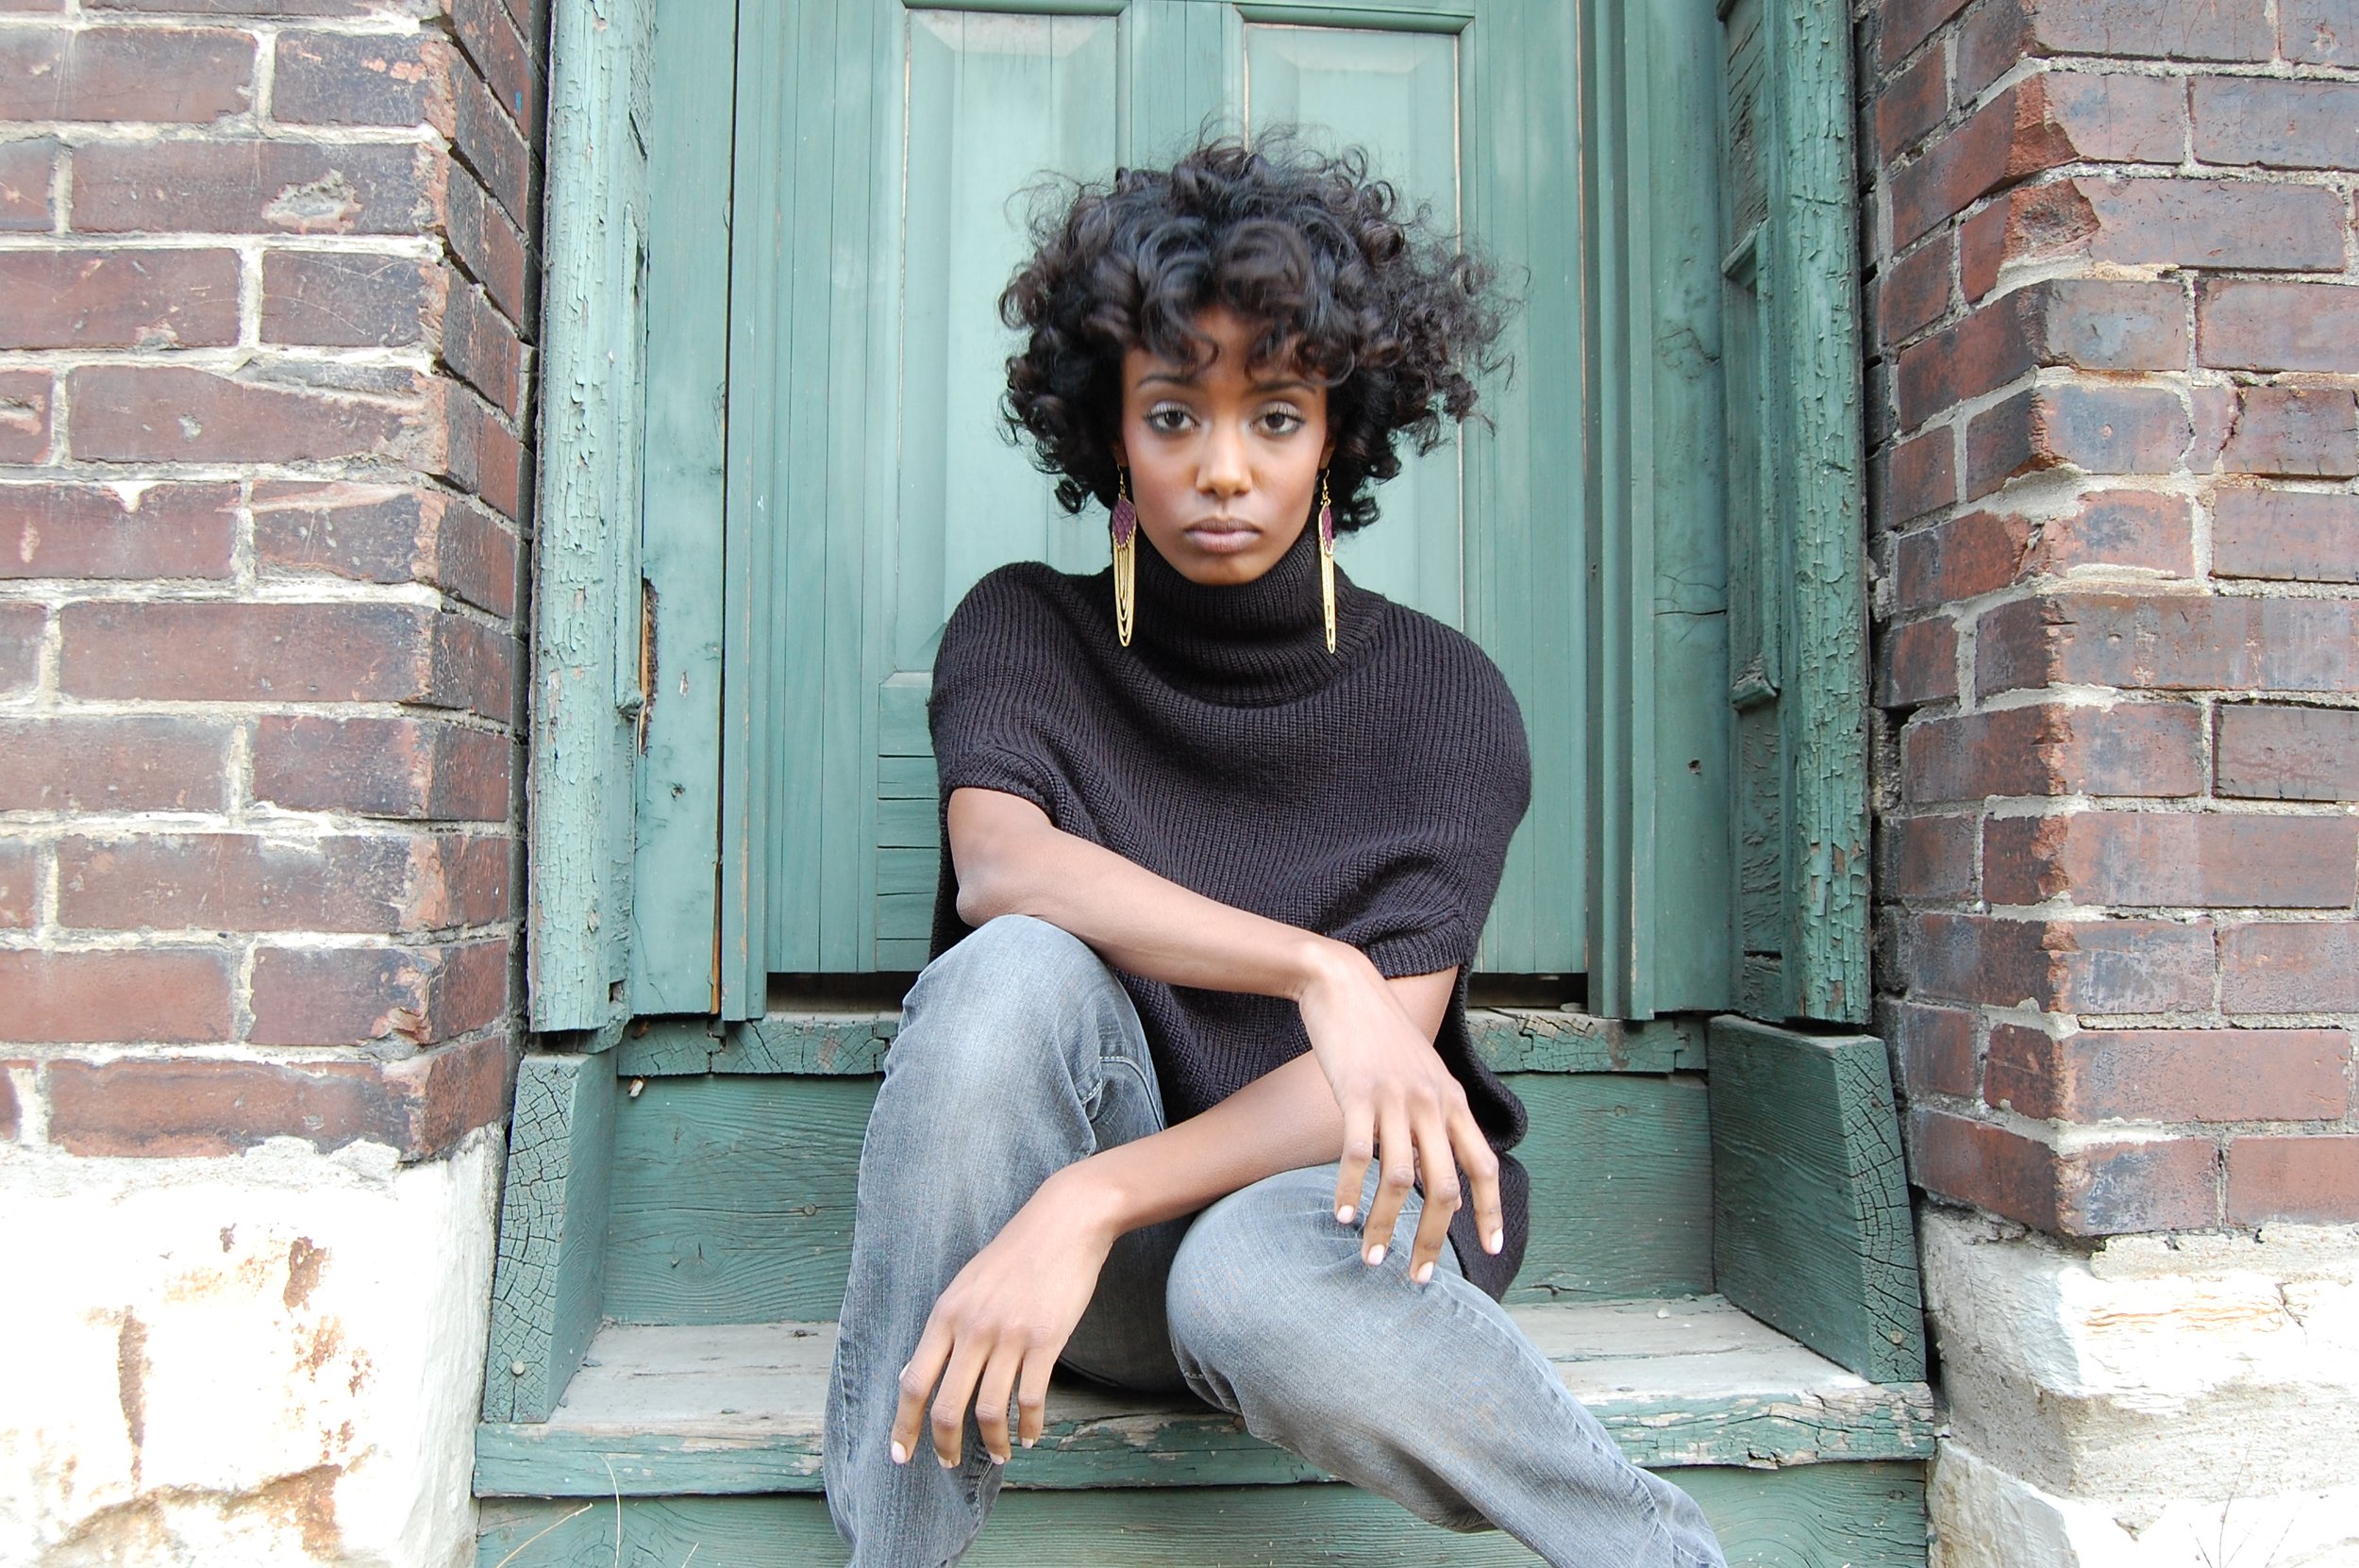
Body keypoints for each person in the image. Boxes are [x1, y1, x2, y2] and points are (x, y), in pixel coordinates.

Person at [823, 136, 1727, 1568]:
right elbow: (1003, 867)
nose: (1224, 470)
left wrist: (1090, 1193)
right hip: (1093, 1273)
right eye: (1173, 415)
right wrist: (1318, 968)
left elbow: (1361, 1087)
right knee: (1008, 975)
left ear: (1339, 434)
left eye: (1277, 416)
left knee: (1245, 1275)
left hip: (1329, 1234)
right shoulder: (1024, 629)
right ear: (1110, 434)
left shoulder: (1445, 700)